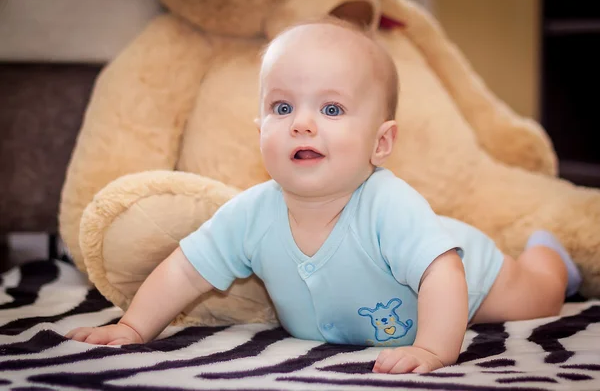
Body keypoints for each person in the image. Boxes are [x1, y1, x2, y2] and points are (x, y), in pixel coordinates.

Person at [66, 19, 582, 374]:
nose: (303, 124)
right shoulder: (251, 213)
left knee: (539, 297)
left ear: (381, 143)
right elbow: (185, 269)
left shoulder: (387, 204)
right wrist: (133, 326)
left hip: (463, 272)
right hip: (413, 267)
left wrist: (432, 347)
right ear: (260, 128)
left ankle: (549, 253)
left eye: (331, 110)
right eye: (282, 107)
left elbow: (441, 272)